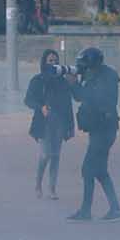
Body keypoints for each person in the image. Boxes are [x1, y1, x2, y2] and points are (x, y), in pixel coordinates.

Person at [68, 46, 120, 221]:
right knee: (99, 171)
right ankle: (115, 209)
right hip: (102, 129)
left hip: (103, 129)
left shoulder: (104, 77)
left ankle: (86, 211)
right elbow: (82, 97)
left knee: (88, 169)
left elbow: (89, 97)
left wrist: (74, 84)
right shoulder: (100, 74)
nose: (82, 67)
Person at [25, 49, 75, 199]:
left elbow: (73, 100)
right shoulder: (37, 80)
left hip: (60, 122)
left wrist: (74, 81)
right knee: (45, 154)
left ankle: (52, 189)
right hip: (44, 122)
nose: (53, 64)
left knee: (56, 156)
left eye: (55, 61)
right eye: (50, 61)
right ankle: (38, 184)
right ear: (44, 63)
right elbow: (28, 100)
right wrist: (41, 107)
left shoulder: (63, 81)